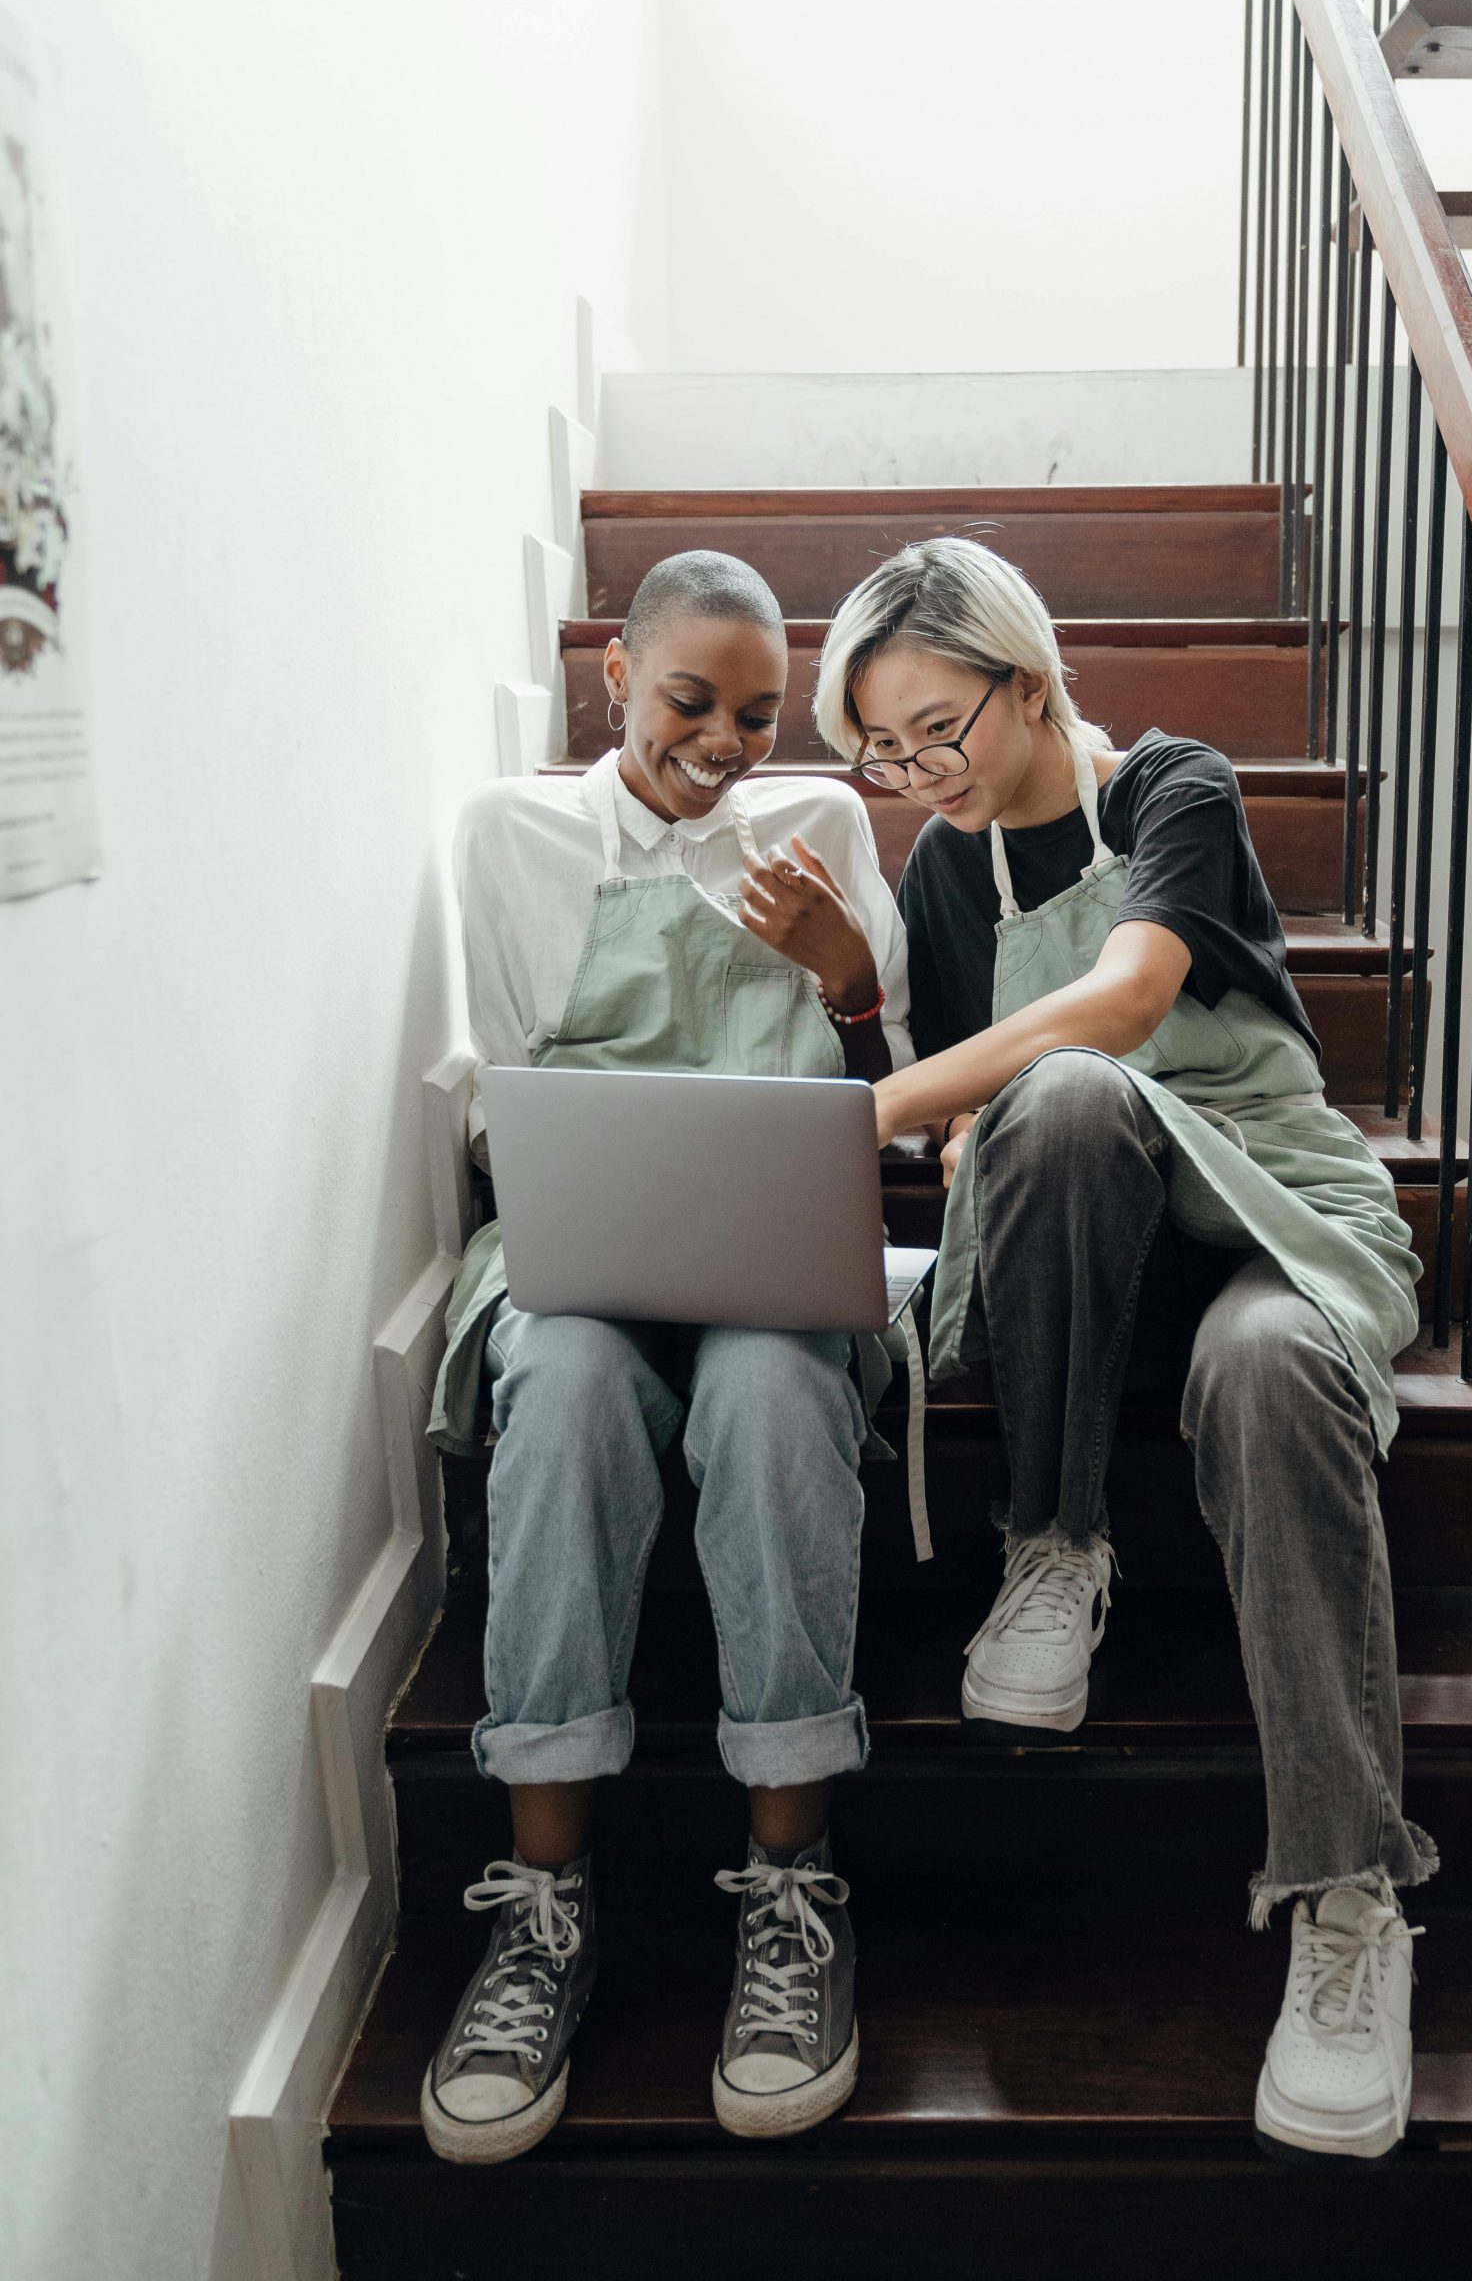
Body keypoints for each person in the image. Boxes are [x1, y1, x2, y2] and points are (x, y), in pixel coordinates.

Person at [813, 536, 1434, 2165]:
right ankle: (1056, 1546)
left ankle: (1348, 1897)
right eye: (877, 749)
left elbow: (1127, 996)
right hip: (1101, 1251)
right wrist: (966, 1135)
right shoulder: (945, 876)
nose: (910, 776)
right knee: (1064, 1114)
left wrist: (894, 1107)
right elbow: (995, 1102)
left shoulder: (1177, 786)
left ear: (1029, 682)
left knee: (1268, 1367)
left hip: (1270, 1209)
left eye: (935, 730)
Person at [420, 550, 911, 2163]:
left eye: (761, 715)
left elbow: (887, 1091)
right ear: (614, 676)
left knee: (774, 1388)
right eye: (693, 701)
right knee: (557, 1390)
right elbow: (499, 1097)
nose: (726, 742)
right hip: (585, 1258)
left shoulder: (823, 828)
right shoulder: (511, 833)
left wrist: (846, 986)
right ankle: (542, 1905)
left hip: (773, 1266)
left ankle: (789, 1886)